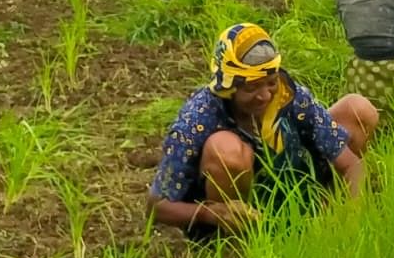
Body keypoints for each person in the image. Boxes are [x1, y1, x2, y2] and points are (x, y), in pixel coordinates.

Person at [148, 23, 377, 238]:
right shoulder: (197, 118)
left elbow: (352, 164)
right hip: (238, 214)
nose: (266, 96)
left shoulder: (291, 97)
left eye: (270, 82)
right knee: (225, 149)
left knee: (356, 109)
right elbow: (156, 207)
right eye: (251, 87)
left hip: (296, 190)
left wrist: (349, 217)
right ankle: (237, 242)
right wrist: (214, 213)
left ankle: (320, 214)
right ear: (229, 87)